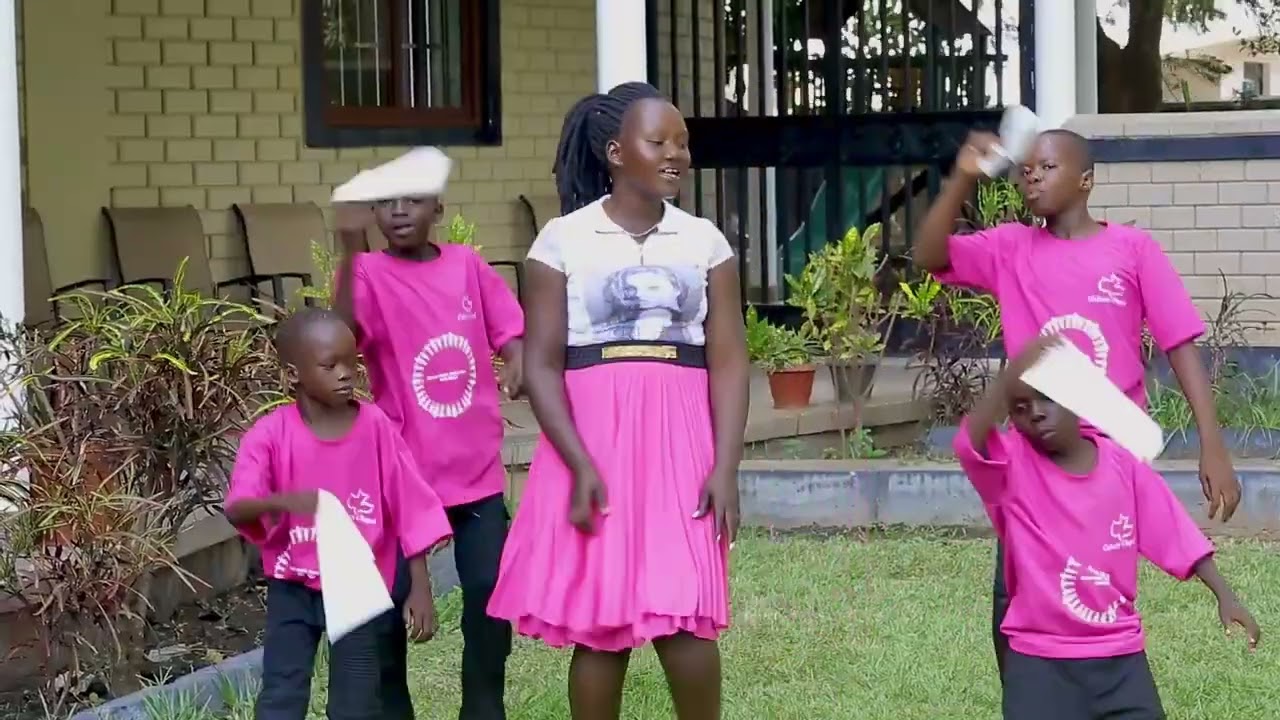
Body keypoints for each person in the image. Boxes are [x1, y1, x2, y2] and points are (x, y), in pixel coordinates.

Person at [912, 128, 1243, 678]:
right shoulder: (1009, 247)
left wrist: (1213, 443)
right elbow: (929, 255)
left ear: (1087, 180)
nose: (1032, 176)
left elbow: (1179, 343)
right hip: (1035, 454)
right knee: (1017, 599)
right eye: (1027, 169)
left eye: (1048, 167)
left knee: (1098, 592)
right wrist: (962, 177)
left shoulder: (1132, 250)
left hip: (1107, 456)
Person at [486, 82, 750, 720]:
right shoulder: (562, 240)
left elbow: (730, 357)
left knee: (686, 610)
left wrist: (726, 466)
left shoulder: (705, 242)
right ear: (615, 152)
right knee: (603, 619)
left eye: (683, 143)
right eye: (657, 141)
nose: (676, 154)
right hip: (593, 434)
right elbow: (544, 364)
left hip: (681, 433)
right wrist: (577, 463)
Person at [956, 335, 1260, 719]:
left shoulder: (1122, 467)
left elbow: (1172, 530)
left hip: (1120, 661)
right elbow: (972, 442)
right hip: (1040, 665)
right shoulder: (1014, 468)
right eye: (1020, 407)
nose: (1035, 412)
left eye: (1047, 397)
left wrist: (1224, 594)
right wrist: (1008, 380)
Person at [333, 150, 526, 720]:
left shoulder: (467, 265)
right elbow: (340, 335)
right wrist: (348, 251)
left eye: (411, 199)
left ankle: (483, 705)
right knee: (391, 604)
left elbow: (508, 329)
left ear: (438, 207)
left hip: (477, 476)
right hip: (401, 477)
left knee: (490, 592)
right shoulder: (367, 273)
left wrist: (514, 357)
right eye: (385, 202)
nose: (397, 211)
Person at [225, 308, 453, 720]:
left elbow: (411, 505)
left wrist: (420, 587)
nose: (346, 374)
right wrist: (285, 503)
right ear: (293, 374)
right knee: (282, 693)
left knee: (357, 703)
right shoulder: (269, 435)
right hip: (293, 588)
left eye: (352, 363)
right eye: (330, 366)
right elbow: (238, 506)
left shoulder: (376, 427)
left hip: (359, 587)